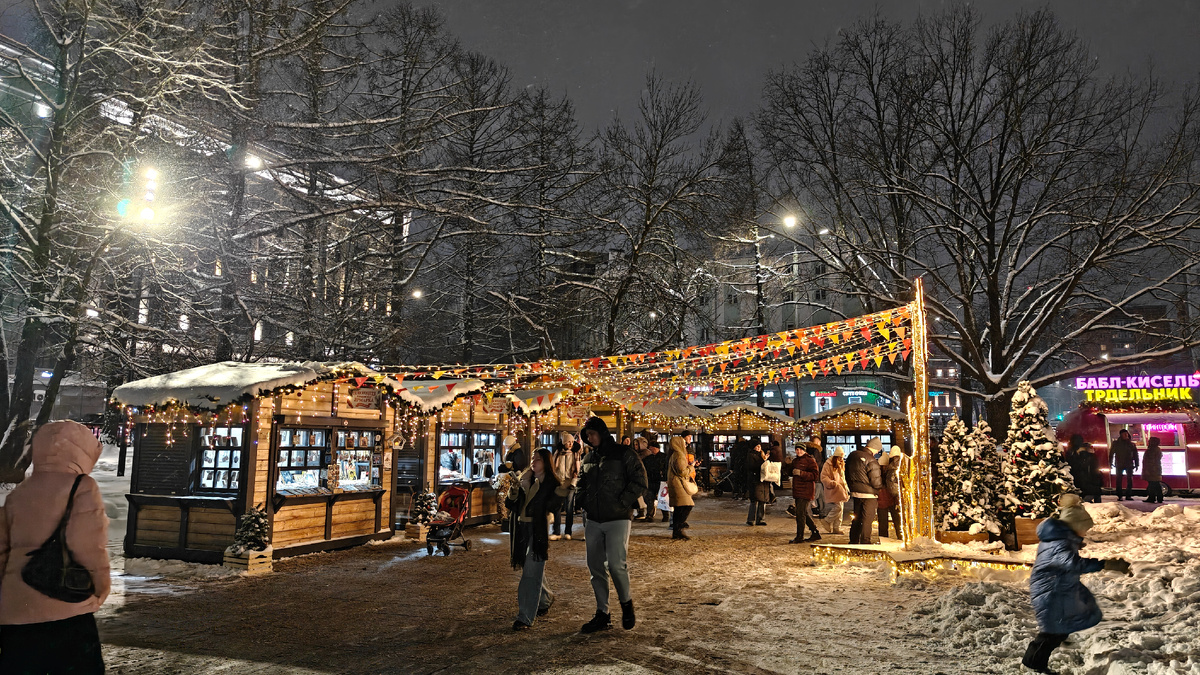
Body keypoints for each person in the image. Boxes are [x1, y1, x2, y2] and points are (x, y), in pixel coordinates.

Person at [0, 421, 110, 674]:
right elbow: (88, 546)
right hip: (65, 606)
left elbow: (2, 552)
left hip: (16, 613)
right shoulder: (82, 487)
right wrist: (100, 589)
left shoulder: (19, 493)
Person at [1022, 494, 1131, 673]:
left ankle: (1057, 639)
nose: (1085, 533)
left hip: (1057, 588)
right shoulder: (1059, 544)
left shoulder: (1059, 540)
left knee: (1062, 623)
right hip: (1050, 591)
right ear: (1075, 527)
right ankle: (1033, 664)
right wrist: (1105, 564)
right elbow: (1074, 564)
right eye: (1084, 529)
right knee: (1050, 632)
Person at [576, 416, 648, 633]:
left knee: (617, 564)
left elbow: (640, 480)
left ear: (602, 433)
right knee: (595, 566)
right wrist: (582, 500)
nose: (590, 438)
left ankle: (626, 604)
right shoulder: (588, 458)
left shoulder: (624, 454)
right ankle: (602, 612)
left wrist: (622, 502)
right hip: (594, 518)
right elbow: (581, 482)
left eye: (592, 434)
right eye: (587, 435)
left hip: (617, 517)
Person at [508, 447, 570, 630]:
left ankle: (525, 617)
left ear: (546, 463)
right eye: (532, 459)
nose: (533, 462)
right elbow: (511, 504)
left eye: (538, 459)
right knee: (533, 570)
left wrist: (562, 491)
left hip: (538, 530)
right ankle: (545, 599)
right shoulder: (526, 479)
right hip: (521, 529)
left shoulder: (550, 484)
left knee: (530, 574)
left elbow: (553, 506)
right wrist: (517, 488)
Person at [847, 438, 884, 545]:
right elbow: (876, 482)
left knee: (857, 518)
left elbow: (847, 474)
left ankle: (853, 540)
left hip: (856, 492)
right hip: (869, 494)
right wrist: (880, 487)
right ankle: (865, 541)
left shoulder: (852, 455)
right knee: (867, 519)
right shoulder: (872, 460)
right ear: (875, 448)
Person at [789, 442, 821, 544]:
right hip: (797, 490)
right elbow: (790, 472)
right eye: (797, 449)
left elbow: (815, 475)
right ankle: (815, 532)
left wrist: (801, 473)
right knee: (802, 513)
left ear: (804, 450)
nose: (798, 451)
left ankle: (800, 536)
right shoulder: (795, 460)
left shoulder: (810, 460)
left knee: (800, 514)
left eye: (800, 449)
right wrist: (788, 464)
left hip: (806, 490)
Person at [551, 432, 581, 540]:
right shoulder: (557, 453)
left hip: (570, 483)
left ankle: (568, 532)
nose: (571, 444)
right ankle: (557, 532)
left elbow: (577, 469)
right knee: (557, 507)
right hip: (559, 482)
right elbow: (553, 467)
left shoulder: (575, 454)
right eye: (568, 442)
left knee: (569, 508)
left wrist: (574, 481)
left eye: (572, 442)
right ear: (564, 442)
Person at [666, 437, 696, 540]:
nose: (685, 445)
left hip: (675, 483)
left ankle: (676, 530)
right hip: (679, 484)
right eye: (683, 443)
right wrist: (691, 467)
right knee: (687, 505)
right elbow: (682, 472)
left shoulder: (673, 454)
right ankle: (679, 529)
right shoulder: (679, 455)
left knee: (679, 508)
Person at [820, 448, 849, 534]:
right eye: (840, 457)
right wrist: (832, 483)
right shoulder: (828, 464)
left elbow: (842, 477)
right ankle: (827, 520)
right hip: (835, 488)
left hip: (840, 488)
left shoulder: (840, 464)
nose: (841, 459)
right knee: (838, 507)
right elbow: (824, 477)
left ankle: (837, 527)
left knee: (841, 508)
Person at [877, 446, 902, 539]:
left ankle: (883, 538)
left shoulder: (879, 473)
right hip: (891, 499)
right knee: (897, 520)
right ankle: (900, 536)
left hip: (882, 500)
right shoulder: (891, 470)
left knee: (883, 522)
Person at [641, 439, 668, 523]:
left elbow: (667, 469)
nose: (649, 449)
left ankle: (666, 515)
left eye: (651, 447)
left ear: (655, 448)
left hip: (661, 482)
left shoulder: (664, 457)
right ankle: (649, 515)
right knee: (649, 498)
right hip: (651, 481)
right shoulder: (648, 458)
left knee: (662, 499)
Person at [744, 441, 770, 526]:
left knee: (762, 500)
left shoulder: (762, 454)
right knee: (754, 500)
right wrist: (763, 461)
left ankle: (761, 519)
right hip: (755, 480)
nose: (759, 448)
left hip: (763, 481)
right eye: (757, 446)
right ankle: (751, 519)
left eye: (759, 446)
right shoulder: (751, 455)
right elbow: (752, 467)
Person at [1109, 429, 1139, 501]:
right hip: (1120, 464)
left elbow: (1135, 455)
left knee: (1129, 480)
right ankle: (1120, 495)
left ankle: (1128, 495)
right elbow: (1111, 454)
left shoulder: (1131, 444)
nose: (1126, 435)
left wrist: (1136, 464)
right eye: (1124, 434)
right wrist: (1110, 462)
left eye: (1126, 434)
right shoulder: (1116, 444)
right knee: (1119, 480)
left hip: (1129, 464)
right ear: (1121, 435)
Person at [1142, 436, 1164, 504]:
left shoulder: (1151, 450)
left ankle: (1152, 497)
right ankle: (1159, 497)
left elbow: (1150, 461)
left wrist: (1147, 469)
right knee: (1155, 483)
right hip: (1155, 469)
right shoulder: (1157, 449)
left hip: (1152, 469)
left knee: (1152, 484)